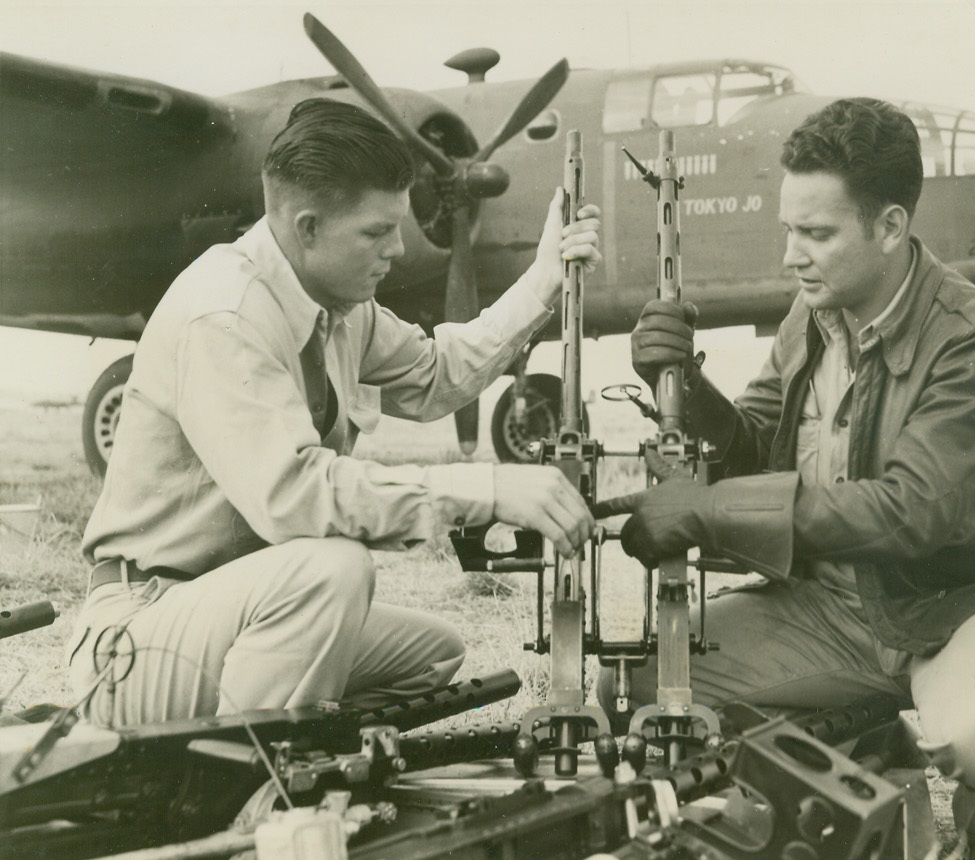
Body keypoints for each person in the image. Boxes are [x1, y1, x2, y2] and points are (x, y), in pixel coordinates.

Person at [605, 98, 975, 859]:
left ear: (889, 226)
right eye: (789, 230)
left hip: (953, 607)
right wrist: (683, 384)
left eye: (816, 234)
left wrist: (708, 513)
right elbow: (754, 448)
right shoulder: (811, 317)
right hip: (828, 610)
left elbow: (910, 513)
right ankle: (880, 745)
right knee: (652, 690)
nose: (791, 256)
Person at [66, 98, 601, 728]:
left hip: (233, 615)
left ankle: (296, 757)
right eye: (376, 232)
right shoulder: (226, 314)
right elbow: (292, 494)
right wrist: (484, 488)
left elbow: (437, 375)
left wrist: (543, 279)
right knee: (334, 569)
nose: (398, 250)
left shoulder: (338, 306)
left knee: (432, 655)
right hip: (136, 637)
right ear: (307, 226)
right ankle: (238, 789)